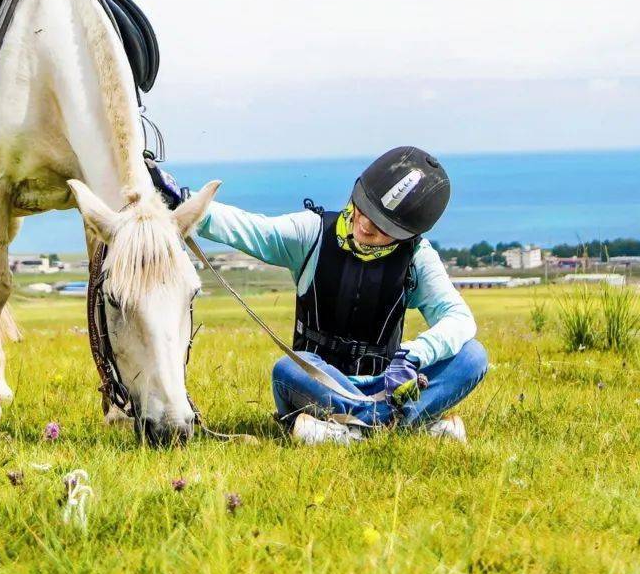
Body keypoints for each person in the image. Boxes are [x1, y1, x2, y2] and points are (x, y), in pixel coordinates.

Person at [151, 146, 487, 445]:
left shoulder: (417, 258)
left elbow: (458, 318)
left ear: (407, 236)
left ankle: (352, 432)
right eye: (365, 208)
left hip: (386, 385)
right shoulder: (311, 234)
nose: (367, 225)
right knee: (288, 368)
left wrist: (414, 356)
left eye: (384, 227)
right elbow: (253, 230)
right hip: (316, 383)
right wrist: (183, 199)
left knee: (473, 356)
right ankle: (400, 426)